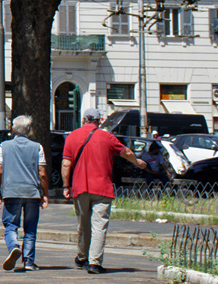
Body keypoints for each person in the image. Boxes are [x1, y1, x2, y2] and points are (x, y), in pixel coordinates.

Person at [61, 107, 151, 273]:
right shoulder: (107, 137)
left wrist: (66, 186)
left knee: (83, 224)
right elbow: (127, 152)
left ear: (83, 120)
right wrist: (137, 162)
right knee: (99, 225)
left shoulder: (71, 137)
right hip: (102, 187)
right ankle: (95, 262)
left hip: (80, 187)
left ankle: (82, 257)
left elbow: (66, 164)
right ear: (99, 121)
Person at [0, 115, 49, 271]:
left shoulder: (4, 146)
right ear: (29, 129)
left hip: (11, 191)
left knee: (11, 225)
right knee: (30, 228)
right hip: (32, 192)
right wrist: (45, 194)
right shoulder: (37, 147)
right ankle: (29, 261)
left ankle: (13, 247)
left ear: (12, 129)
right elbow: (42, 173)